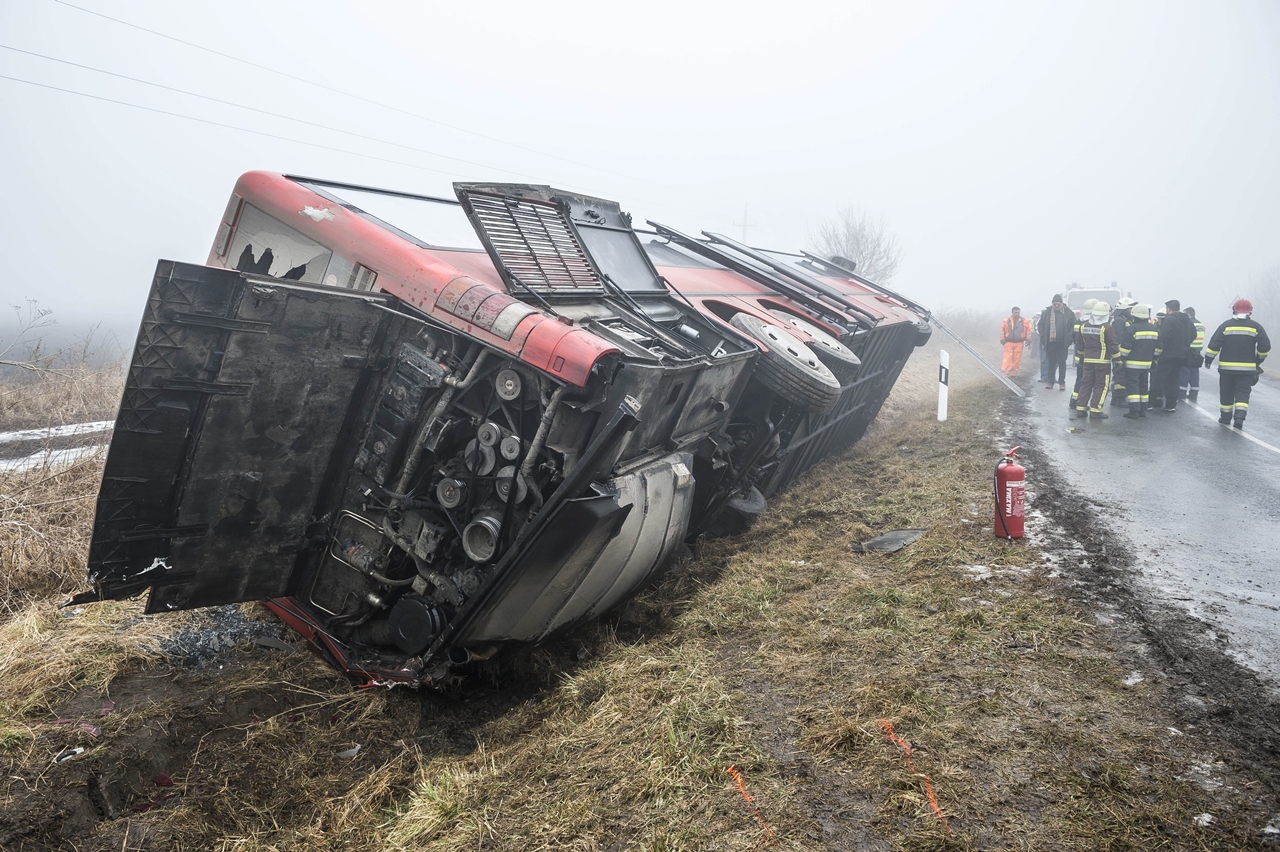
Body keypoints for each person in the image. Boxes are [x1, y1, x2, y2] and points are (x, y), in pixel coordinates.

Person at [1203, 298, 1270, 429]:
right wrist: (1258, 360)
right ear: (1250, 312)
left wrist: (1208, 359)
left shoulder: (1226, 326)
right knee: (1242, 393)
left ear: (1234, 310)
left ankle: (1225, 418)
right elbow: (1265, 346)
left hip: (1226, 370)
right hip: (1247, 371)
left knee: (1226, 392)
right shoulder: (1256, 327)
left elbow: (1214, 344)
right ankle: (1239, 418)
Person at [1073, 301, 1118, 420]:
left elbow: (1080, 344)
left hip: (1088, 361)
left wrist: (1082, 357)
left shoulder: (1084, 326)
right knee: (1101, 385)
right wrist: (1118, 360)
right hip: (1102, 362)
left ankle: (1081, 408)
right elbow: (1112, 345)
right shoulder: (1107, 328)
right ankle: (1095, 410)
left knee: (1086, 383)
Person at [1153, 299, 1195, 412]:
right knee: (1174, 380)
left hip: (1167, 355)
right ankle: (1171, 405)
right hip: (1182, 356)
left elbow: (1163, 336)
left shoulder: (1169, 320)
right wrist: (1184, 344)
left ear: (1169, 309)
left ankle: (1151, 403)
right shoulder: (1187, 320)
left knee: (1159, 378)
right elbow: (1194, 334)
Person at [1118, 304, 1158, 419]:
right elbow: (1159, 347)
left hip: (1132, 365)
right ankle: (1143, 410)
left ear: (1134, 316)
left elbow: (1126, 347)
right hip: (1147, 364)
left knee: (1133, 387)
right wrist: (1154, 359)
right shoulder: (1154, 328)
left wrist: (1121, 359)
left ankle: (1134, 411)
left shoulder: (1132, 328)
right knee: (1144, 386)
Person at [1070, 298, 1098, 411]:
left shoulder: (1078, 322)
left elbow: (1074, 338)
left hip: (1079, 355)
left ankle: (1074, 401)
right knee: (1088, 381)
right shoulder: (1093, 324)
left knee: (1080, 379)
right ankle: (1080, 402)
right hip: (1090, 357)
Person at [1038, 295, 1072, 390]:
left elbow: (1073, 326)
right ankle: (1050, 382)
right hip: (1050, 342)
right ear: (1052, 303)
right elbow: (1040, 325)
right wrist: (1043, 335)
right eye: (1055, 304)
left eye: (1058, 304)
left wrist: (1070, 338)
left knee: (1062, 362)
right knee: (1051, 363)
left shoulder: (1068, 313)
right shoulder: (1046, 313)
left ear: (1061, 303)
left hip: (1063, 343)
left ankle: (1062, 383)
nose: (1056, 305)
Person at [1109, 298, 1137, 407]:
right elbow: (1119, 339)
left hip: (1120, 354)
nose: (1132, 311)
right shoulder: (1119, 321)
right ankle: (1120, 399)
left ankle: (1115, 398)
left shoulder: (1122, 319)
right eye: (1130, 308)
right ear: (1124, 309)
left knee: (1117, 376)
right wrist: (1120, 356)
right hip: (1120, 354)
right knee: (1120, 376)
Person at [1179, 307, 1206, 402]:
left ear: (1189, 314)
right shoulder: (1200, 324)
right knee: (1195, 373)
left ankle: (1181, 393)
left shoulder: (1189, 323)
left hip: (1189, 350)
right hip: (1197, 351)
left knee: (1185, 372)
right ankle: (1194, 394)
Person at [1000, 307, 1032, 377]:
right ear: (1012, 313)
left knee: (1016, 359)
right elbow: (1002, 331)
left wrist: (1028, 340)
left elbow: (1028, 331)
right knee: (1007, 358)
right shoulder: (1006, 321)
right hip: (1008, 343)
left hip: (1019, 343)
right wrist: (1002, 340)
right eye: (1015, 312)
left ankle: (1013, 373)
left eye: (1018, 312)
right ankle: (1005, 373)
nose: (1017, 314)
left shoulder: (1025, 321)